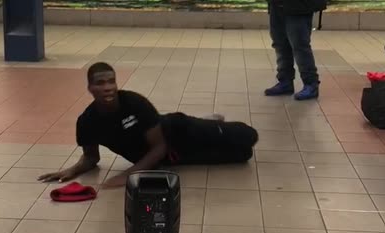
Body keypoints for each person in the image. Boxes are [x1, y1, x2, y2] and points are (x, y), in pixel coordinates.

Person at [38, 62, 259, 188]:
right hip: (170, 160)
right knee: (242, 156)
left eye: (111, 81)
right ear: (90, 88)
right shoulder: (87, 121)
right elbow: (91, 158)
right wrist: (72, 170)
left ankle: (209, 123)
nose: (107, 87)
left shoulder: (134, 102)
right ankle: (210, 122)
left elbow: (158, 147)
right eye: (100, 83)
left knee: (248, 136)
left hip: (179, 131)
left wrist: (127, 175)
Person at [264, 0, 327, 100]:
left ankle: (311, 84)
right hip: (276, 5)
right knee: (280, 43)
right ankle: (285, 81)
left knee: (299, 45)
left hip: (299, 6)